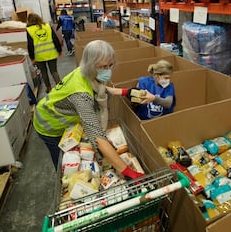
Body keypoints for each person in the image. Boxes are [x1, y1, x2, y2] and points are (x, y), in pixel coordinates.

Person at [33, 40, 144, 180]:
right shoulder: (81, 96)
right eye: (103, 67)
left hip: (59, 113)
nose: (108, 71)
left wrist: (125, 92)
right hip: (49, 125)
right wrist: (128, 171)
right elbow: (97, 137)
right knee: (65, 163)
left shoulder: (84, 72)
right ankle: (61, 178)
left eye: (110, 65)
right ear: (91, 65)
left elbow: (99, 89)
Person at [109, 60, 176, 120]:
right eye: (166, 78)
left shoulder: (169, 87)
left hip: (162, 121)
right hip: (144, 120)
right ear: (156, 75)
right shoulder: (144, 82)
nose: (168, 80)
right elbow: (134, 96)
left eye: (169, 78)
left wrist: (154, 98)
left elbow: (168, 103)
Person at [26, 13, 62, 93]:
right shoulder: (47, 26)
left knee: (44, 72)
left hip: (39, 56)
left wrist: (32, 57)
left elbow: (30, 45)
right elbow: (55, 39)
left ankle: (48, 87)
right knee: (54, 71)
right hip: (51, 53)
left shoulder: (29, 30)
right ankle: (59, 86)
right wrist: (59, 50)